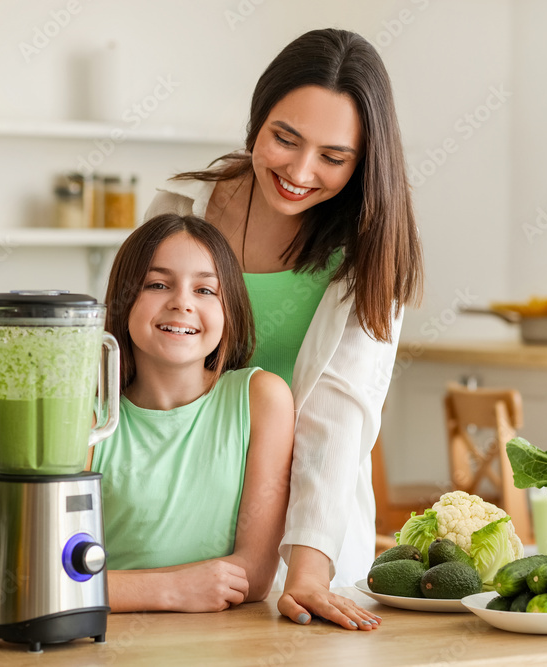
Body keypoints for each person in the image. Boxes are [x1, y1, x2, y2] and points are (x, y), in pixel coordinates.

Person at [144, 28, 423, 630]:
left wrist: (308, 572)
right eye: (284, 139)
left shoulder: (370, 252)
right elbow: (133, 367)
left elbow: (338, 413)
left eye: (333, 157)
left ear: (364, 160)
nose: (299, 171)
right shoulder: (181, 209)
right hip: (170, 523)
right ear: (257, 120)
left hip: (305, 538)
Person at [88, 213, 295, 613]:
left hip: (227, 643)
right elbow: (48, 579)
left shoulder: (262, 399)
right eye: (158, 284)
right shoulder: (86, 415)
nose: (181, 302)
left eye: (205, 290)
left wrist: (115, 587)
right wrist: (173, 589)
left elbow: (251, 577)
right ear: (125, 298)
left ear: (228, 309)